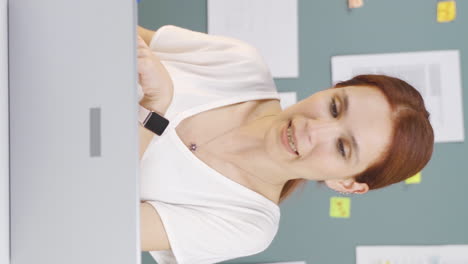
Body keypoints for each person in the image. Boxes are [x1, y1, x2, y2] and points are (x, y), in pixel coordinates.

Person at [136, 25, 434, 264]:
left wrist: (154, 110)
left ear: (346, 184)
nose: (312, 129)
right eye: (334, 107)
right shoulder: (239, 63)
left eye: (342, 148)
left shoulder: (248, 225)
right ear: (330, 89)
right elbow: (113, 29)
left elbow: (101, 225)